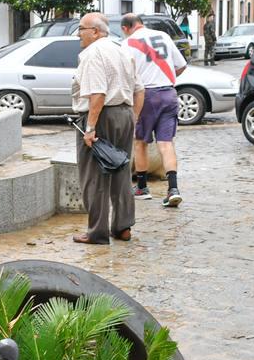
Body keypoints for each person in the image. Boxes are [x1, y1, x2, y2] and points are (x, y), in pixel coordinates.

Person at [72, 12, 143, 245]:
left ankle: (97, 232)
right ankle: (123, 227)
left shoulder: (93, 53)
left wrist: (90, 128)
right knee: (121, 171)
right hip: (124, 114)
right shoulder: (122, 50)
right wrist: (132, 117)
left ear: (95, 31)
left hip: (101, 116)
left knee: (94, 177)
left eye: (81, 28)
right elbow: (139, 89)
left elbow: (98, 93)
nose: (78, 34)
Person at [121, 12, 185, 208]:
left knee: (140, 142)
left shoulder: (127, 44)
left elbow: (125, 75)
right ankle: (173, 189)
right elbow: (181, 66)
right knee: (166, 143)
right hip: (169, 93)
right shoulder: (164, 36)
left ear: (125, 28)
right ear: (141, 23)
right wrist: (163, 77)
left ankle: (142, 188)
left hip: (145, 95)